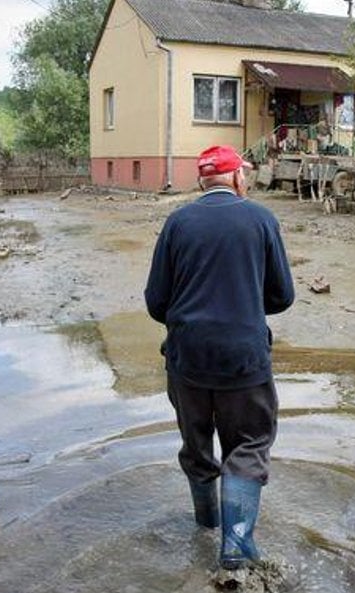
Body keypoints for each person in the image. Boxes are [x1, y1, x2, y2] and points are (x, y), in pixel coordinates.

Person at [144, 145, 295, 571]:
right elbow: (282, 296)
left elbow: (157, 301)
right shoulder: (261, 219)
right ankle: (236, 545)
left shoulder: (177, 222)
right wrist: (244, 303)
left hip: (187, 358)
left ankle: (206, 522)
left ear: (202, 181)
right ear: (237, 179)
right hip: (243, 360)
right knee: (248, 445)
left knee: (196, 447)